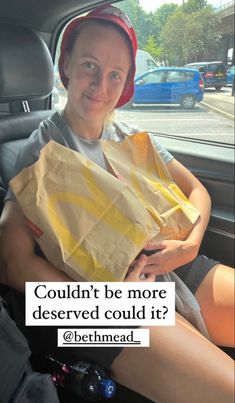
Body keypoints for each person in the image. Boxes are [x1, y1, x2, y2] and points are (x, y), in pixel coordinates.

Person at [0, 5, 234, 403]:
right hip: (95, 300)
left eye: (115, 75)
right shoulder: (41, 153)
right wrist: (110, 305)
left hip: (170, 265)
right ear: (67, 66)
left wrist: (190, 245)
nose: (100, 86)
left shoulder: (131, 135)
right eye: (89, 66)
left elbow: (198, 193)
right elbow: (11, 262)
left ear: (126, 83)